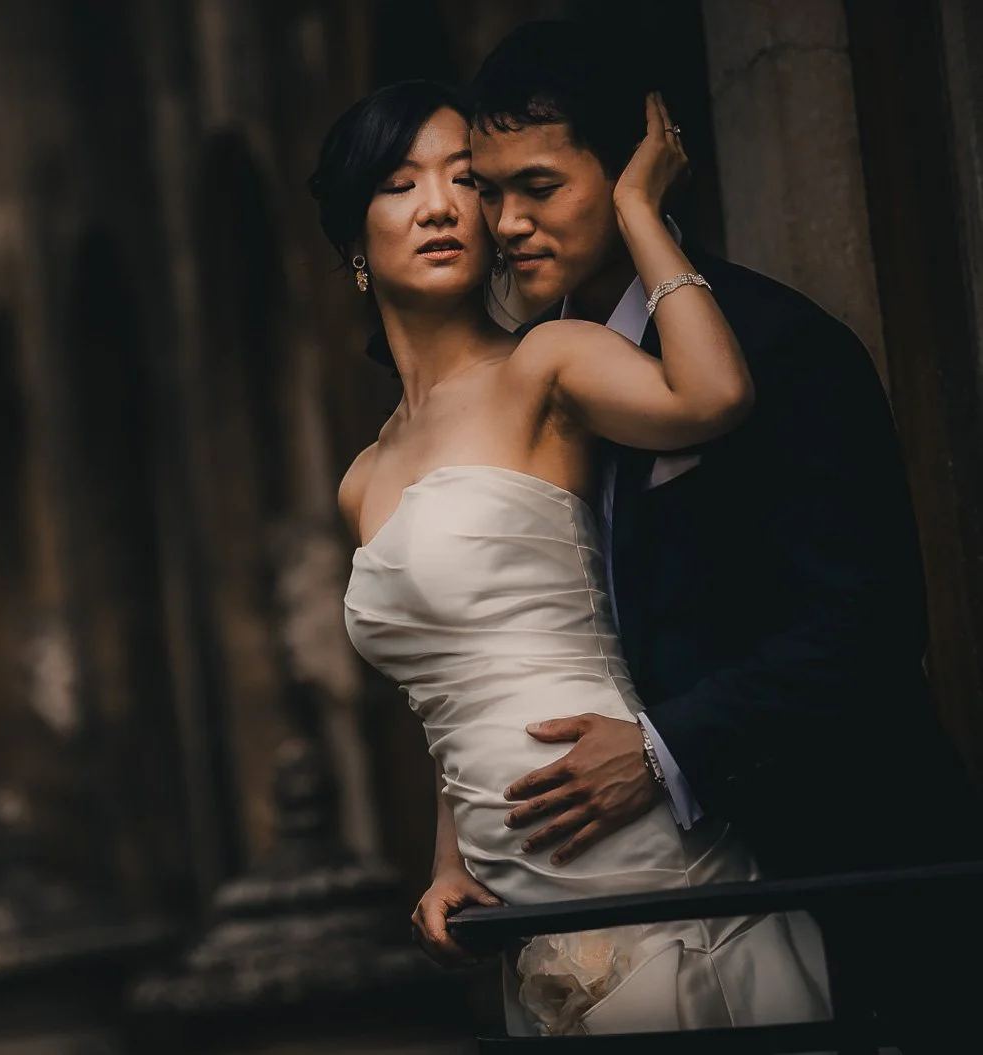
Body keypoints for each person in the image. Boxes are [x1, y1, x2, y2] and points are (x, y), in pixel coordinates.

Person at [414, 19, 983, 1047]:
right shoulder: (527, 383)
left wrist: (663, 751)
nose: (502, 222)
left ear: (639, 163)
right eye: (487, 190)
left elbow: (862, 628)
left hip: (849, 887)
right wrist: (468, 847)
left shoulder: (783, 349)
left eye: (537, 187)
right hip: (621, 916)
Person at [314, 78, 832, 1035]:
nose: (439, 205)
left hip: (626, 840)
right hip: (523, 904)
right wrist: (452, 858)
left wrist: (640, 210)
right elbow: (449, 688)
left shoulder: (545, 363)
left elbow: (714, 394)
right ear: (356, 240)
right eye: (399, 182)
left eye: (462, 178)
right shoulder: (362, 477)